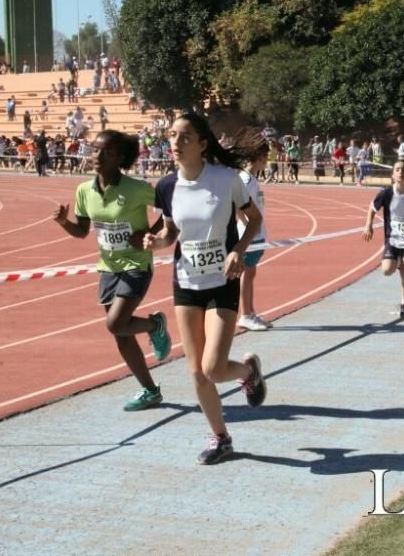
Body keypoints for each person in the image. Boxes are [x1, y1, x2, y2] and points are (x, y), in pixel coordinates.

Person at [144, 115, 268, 465]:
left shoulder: (226, 180)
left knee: (213, 368)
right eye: (172, 136)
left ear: (202, 144)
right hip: (186, 283)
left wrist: (237, 251)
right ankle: (221, 438)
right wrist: (156, 241)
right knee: (196, 371)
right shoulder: (166, 186)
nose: (176, 142)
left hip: (222, 282)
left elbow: (254, 220)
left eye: (185, 137)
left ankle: (248, 372)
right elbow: (170, 233)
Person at [52, 130, 172, 411]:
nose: (97, 156)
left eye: (105, 152)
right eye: (95, 150)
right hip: (108, 267)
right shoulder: (84, 190)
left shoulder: (136, 188)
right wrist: (62, 222)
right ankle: (150, 390)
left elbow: (168, 209)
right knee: (121, 334)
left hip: (136, 264)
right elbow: (82, 232)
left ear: (119, 157)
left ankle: (155, 325)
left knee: (116, 323)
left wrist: (148, 235)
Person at [363, 160, 404, 317]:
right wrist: (368, 226)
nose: (400, 172)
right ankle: (396, 262)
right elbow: (372, 208)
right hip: (392, 239)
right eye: (397, 170)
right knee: (386, 270)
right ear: (393, 175)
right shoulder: (386, 193)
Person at [236, 135, 273, 331]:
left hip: (255, 234)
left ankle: (250, 311)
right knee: (247, 274)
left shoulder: (251, 179)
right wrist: (246, 223)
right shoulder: (245, 179)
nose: (267, 159)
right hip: (248, 236)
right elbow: (236, 203)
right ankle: (245, 315)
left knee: (250, 273)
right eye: (265, 155)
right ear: (257, 156)